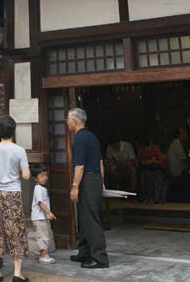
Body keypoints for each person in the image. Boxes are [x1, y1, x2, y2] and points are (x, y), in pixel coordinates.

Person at [0, 115, 30, 282]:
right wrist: (14, 172)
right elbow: (26, 175)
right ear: (14, 131)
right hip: (13, 194)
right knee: (15, 230)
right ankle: (17, 274)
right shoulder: (19, 151)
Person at [67, 107, 108, 269]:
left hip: (87, 179)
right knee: (84, 218)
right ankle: (84, 252)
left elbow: (80, 166)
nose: (67, 122)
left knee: (91, 219)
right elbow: (100, 162)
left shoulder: (80, 138)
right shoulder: (92, 136)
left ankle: (100, 258)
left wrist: (75, 186)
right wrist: (102, 182)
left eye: (68, 119)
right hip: (95, 178)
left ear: (75, 121)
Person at [31, 166, 56, 265]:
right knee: (43, 236)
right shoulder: (38, 188)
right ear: (35, 178)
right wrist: (49, 213)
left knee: (44, 235)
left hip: (41, 217)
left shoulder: (42, 188)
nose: (45, 178)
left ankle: (43, 253)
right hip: (39, 217)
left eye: (46, 175)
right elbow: (40, 203)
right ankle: (43, 256)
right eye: (41, 176)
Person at [137, 136, 166, 204]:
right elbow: (140, 160)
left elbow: (161, 161)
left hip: (157, 168)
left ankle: (152, 197)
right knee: (144, 175)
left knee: (150, 176)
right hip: (146, 168)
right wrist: (144, 161)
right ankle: (146, 197)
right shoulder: (140, 149)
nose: (147, 148)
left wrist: (154, 161)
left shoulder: (155, 148)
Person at [166, 127, 190, 202]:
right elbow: (183, 158)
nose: (185, 135)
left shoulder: (174, 143)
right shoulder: (177, 143)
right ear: (179, 135)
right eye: (183, 133)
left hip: (175, 171)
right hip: (178, 172)